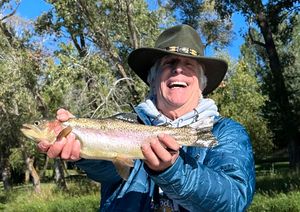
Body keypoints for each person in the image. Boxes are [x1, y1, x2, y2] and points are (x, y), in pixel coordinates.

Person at [38, 24, 255, 211]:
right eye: (169, 63)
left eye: (189, 65)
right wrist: (82, 153)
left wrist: (173, 171)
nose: (178, 69)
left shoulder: (224, 132)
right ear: (152, 79)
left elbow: (234, 201)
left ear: (202, 84)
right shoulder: (125, 123)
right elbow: (111, 171)